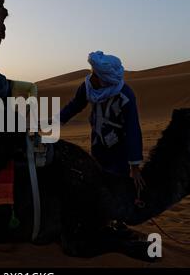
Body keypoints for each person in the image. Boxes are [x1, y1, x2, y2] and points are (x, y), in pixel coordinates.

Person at [60, 51, 145, 193]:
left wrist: (135, 168)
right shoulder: (88, 87)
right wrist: (56, 120)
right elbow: (75, 105)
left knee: (116, 188)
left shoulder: (125, 96)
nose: (91, 78)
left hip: (119, 151)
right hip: (98, 145)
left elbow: (132, 129)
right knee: (97, 185)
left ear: (105, 79)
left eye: (95, 75)